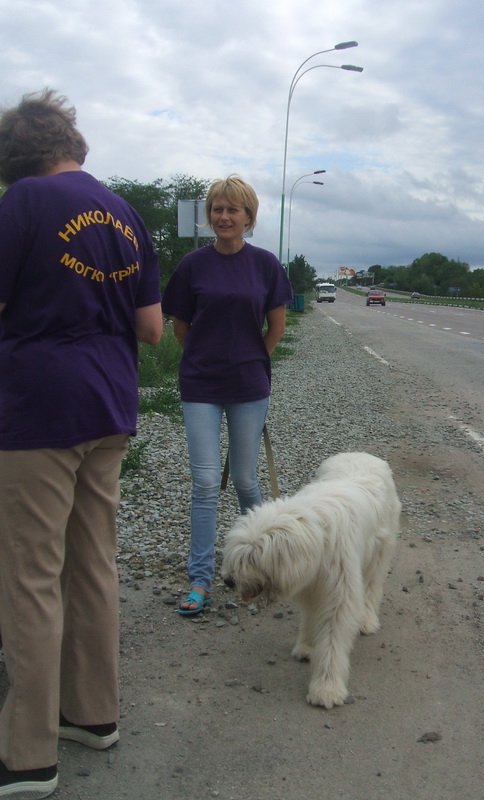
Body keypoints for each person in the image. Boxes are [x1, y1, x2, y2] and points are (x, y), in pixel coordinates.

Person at [0, 89, 163, 799]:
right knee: (93, 564)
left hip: (37, 410)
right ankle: (92, 715)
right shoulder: (125, 214)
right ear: (70, 141)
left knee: (30, 577)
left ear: (16, 154)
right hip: (110, 404)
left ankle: (27, 756)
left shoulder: (22, 203)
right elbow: (151, 328)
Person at [162, 175, 292, 616]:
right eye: (217, 209)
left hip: (248, 387)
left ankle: (261, 569)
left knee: (245, 480)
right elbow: (181, 328)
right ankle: (200, 578)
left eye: (232, 209)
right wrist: (207, 360)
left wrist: (251, 361)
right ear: (209, 216)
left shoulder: (265, 265)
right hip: (200, 385)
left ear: (248, 217)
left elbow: (277, 327)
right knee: (204, 484)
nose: (223, 216)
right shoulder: (192, 265)